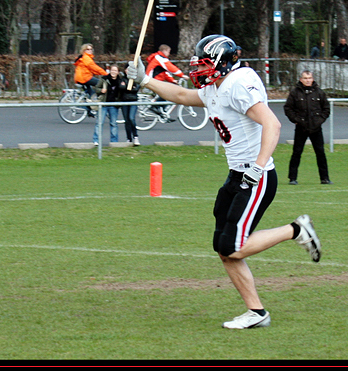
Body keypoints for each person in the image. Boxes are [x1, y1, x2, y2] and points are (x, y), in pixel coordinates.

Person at [127, 35, 321, 329]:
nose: (199, 69)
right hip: (235, 174)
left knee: (232, 246)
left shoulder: (239, 82)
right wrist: (146, 80)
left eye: (205, 63)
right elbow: (181, 96)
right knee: (223, 248)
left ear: (222, 62)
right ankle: (256, 312)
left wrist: (257, 168)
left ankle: (295, 230)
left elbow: (273, 124)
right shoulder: (215, 86)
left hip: (255, 176)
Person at [284, 70, 332, 185]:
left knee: (320, 153)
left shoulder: (319, 93)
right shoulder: (295, 93)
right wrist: (296, 120)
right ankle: (292, 178)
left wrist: (319, 121)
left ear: (313, 79)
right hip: (301, 128)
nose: (307, 80)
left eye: (309, 78)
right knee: (297, 152)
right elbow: (288, 109)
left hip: (316, 128)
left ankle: (324, 178)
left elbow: (326, 109)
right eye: (305, 78)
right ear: (301, 79)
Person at [73, 43, 106, 117]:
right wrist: (106, 74)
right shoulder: (87, 58)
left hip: (81, 77)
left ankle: (89, 109)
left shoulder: (85, 57)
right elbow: (95, 68)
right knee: (100, 84)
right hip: (84, 78)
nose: (90, 50)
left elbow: (92, 70)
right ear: (84, 50)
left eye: (91, 49)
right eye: (88, 49)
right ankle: (90, 106)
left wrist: (100, 73)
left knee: (91, 92)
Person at [93, 65, 124, 145]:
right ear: (110, 71)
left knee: (113, 123)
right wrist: (101, 90)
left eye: (115, 70)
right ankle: (96, 140)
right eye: (112, 70)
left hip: (114, 105)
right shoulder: (104, 79)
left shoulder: (120, 80)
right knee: (99, 123)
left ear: (118, 72)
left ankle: (114, 141)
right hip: (103, 104)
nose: (113, 72)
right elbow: (96, 88)